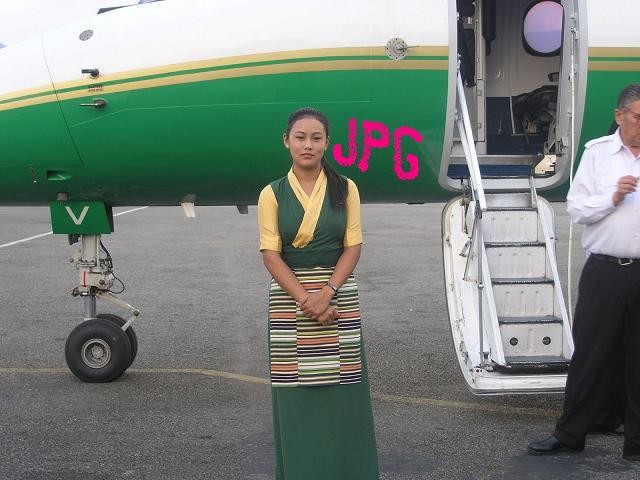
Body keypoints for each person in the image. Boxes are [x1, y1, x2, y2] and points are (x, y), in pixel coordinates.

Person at [257, 107, 379, 479]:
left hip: (337, 293)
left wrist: (327, 292)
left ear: (327, 143)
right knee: (296, 393)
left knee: (344, 393)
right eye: (300, 137)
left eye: (316, 138)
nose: (307, 145)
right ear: (286, 142)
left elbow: (353, 246)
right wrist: (307, 299)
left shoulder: (346, 187)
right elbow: (270, 254)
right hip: (290, 296)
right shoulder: (271, 193)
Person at [527, 84, 640, 460]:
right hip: (606, 271)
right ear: (619, 115)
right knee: (590, 354)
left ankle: (636, 443)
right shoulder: (598, 154)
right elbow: (576, 209)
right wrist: (613, 197)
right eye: (638, 117)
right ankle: (570, 434)